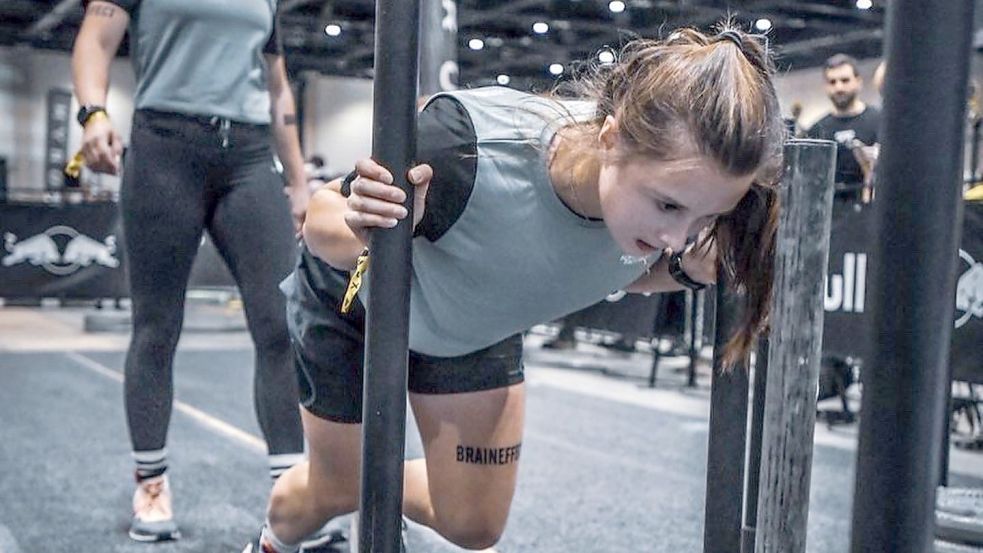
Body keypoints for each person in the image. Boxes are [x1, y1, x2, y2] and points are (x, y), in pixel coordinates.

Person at [248, 26, 784, 552]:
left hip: (476, 323)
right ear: (611, 138)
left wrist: (684, 271)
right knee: (337, 489)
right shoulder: (465, 144)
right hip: (359, 305)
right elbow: (320, 223)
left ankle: (370, 479)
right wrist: (372, 226)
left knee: (473, 524)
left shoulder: (676, 215)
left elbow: (598, 265)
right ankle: (279, 535)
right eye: (667, 205)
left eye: (704, 217)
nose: (677, 236)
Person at [71, 0, 315, 543]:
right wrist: (94, 112)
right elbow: (94, 41)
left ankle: (292, 492)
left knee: (282, 324)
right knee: (157, 326)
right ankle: (151, 481)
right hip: (164, 150)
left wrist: (298, 180)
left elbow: (277, 86)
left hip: (250, 157)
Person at [806, 54, 881, 202]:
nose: (838, 87)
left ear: (858, 82)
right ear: (826, 86)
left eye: (845, 80)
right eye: (832, 82)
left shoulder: (879, 121)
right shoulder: (816, 130)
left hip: (869, 208)